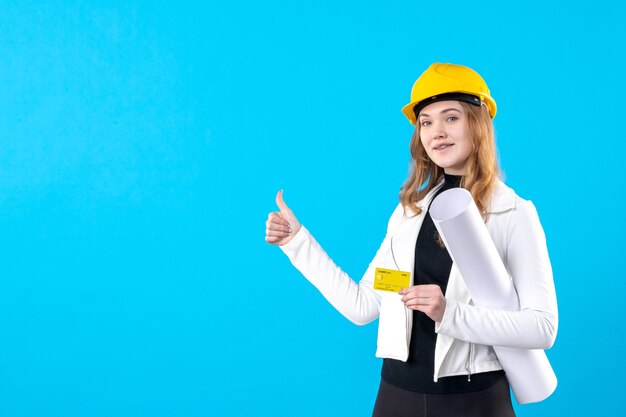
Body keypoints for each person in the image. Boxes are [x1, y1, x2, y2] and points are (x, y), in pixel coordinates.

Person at [265, 63, 558, 417]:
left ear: (478, 124)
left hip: (473, 400)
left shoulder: (513, 213)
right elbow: (362, 306)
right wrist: (296, 242)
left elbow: (542, 328)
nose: (437, 132)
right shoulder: (409, 213)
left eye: (451, 117)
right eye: (426, 122)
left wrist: (450, 314)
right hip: (396, 396)